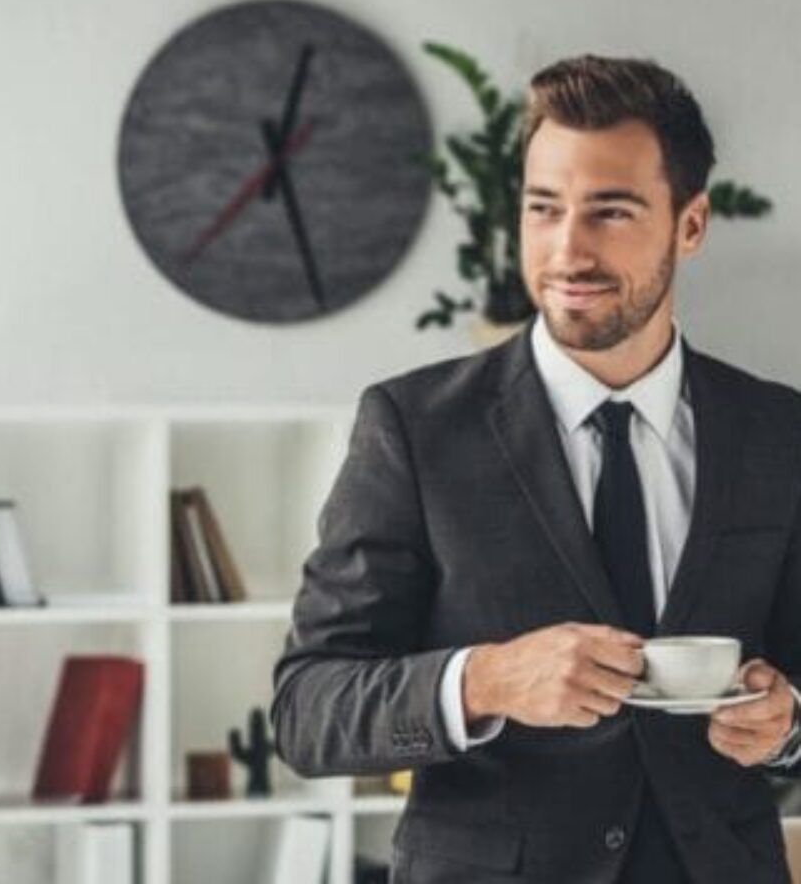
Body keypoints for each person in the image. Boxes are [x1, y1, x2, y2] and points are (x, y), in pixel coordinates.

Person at [270, 55, 801, 883]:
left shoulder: (780, 432)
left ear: (690, 225)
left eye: (611, 212)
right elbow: (308, 709)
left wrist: (788, 721)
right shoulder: (414, 429)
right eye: (543, 208)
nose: (567, 250)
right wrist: (483, 679)